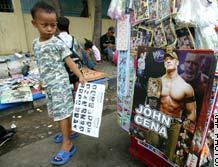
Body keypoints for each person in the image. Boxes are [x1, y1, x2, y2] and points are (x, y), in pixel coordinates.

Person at [31, 2, 86, 165]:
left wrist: (80, 76)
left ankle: (67, 143)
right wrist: (41, 81)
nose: (49, 29)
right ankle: (68, 132)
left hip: (61, 85)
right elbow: (41, 63)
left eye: (53, 25)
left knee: (62, 113)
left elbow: (69, 62)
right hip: (49, 86)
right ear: (34, 23)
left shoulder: (57, 42)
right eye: (45, 25)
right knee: (59, 112)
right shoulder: (35, 43)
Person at [146, 51, 196, 161]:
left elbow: (191, 112)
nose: (167, 61)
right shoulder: (156, 81)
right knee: (151, 146)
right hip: (159, 117)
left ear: (177, 62)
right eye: (165, 59)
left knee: (170, 156)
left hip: (175, 123)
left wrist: (185, 133)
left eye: (171, 59)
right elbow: (150, 104)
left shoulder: (186, 87)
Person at [180, 53, 209, 119]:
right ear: (184, 63)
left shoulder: (206, 83)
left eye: (194, 63)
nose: (190, 66)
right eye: (188, 62)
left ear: (200, 67)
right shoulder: (176, 80)